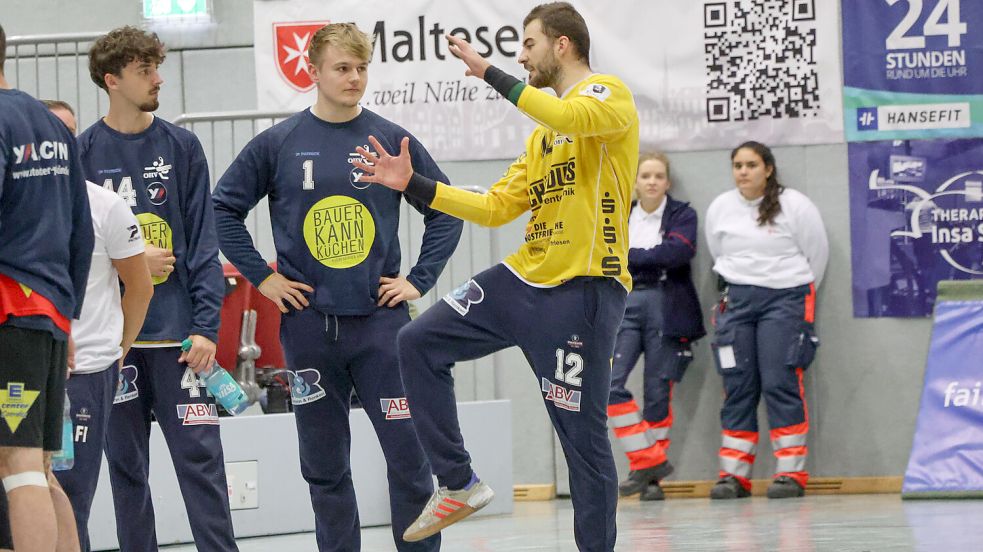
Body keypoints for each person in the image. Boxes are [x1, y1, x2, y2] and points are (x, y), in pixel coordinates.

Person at [352, 3, 638, 550]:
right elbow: (495, 207)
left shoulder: (607, 96)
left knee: (583, 442)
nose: (520, 55)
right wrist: (412, 183)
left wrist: (489, 74)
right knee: (417, 341)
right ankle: (458, 481)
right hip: (520, 281)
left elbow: (571, 118)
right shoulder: (541, 138)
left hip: (582, 293)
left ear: (561, 45)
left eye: (528, 43)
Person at [212, 23, 463, 552]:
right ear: (314, 71)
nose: (354, 78)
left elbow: (446, 210)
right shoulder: (278, 144)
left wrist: (419, 280)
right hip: (308, 332)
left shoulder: (391, 141)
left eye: (361, 68)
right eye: (342, 68)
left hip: (382, 330)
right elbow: (222, 210)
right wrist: (264, 277)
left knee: (410, 464)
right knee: (324, 469)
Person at [76, 26, 237, 551]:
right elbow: (74, 249)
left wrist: (206, 327)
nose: (158, 79)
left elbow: (203, 245)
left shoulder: (181, 145)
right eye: (145, 70)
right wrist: (132, 263)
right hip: (114, 349)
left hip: (180, 344)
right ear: (112, 80)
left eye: (156, 67)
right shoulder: (82, 153)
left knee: (203, 467)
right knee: (126, 474)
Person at [42, 99, 155, 551]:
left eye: (69, 133)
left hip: (86, 372)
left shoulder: (106, 206)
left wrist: (119, 347)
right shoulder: (12, 200)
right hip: (23, 368)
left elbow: (140, 288)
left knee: (71, 497)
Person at [0, 22, 93, 552]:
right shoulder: (49, 122)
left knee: (19, 467)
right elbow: (79, 229)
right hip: (50, 315)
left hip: (10, 311)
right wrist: (68, 312)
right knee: (36, 464)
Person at [704, 141, 828, 500]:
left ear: (768, 169)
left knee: (780, 381)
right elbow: (718, 251)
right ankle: (734, 475)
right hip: (738, 301)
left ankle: (790, 473)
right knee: (738, 386)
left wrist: (789, 289)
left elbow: (816, 255)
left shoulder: (795, 205)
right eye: (738, 165)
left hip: (786, 300)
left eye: (751, 165)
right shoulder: (722, 207)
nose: (743, 171)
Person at [607, 152, 704, 501]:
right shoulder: (619, 213)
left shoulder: (683, 214)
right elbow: (605, 252)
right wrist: (650, 255)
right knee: (609, 383)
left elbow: (677, 254)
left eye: (658, 176)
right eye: (645, 175)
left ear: (667, 182)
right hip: (626, 303)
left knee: (658, 393)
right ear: (635, 181)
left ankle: (651, 483)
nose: (651, 181)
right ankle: (648, 460)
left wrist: (630, 256)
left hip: (667, 305)